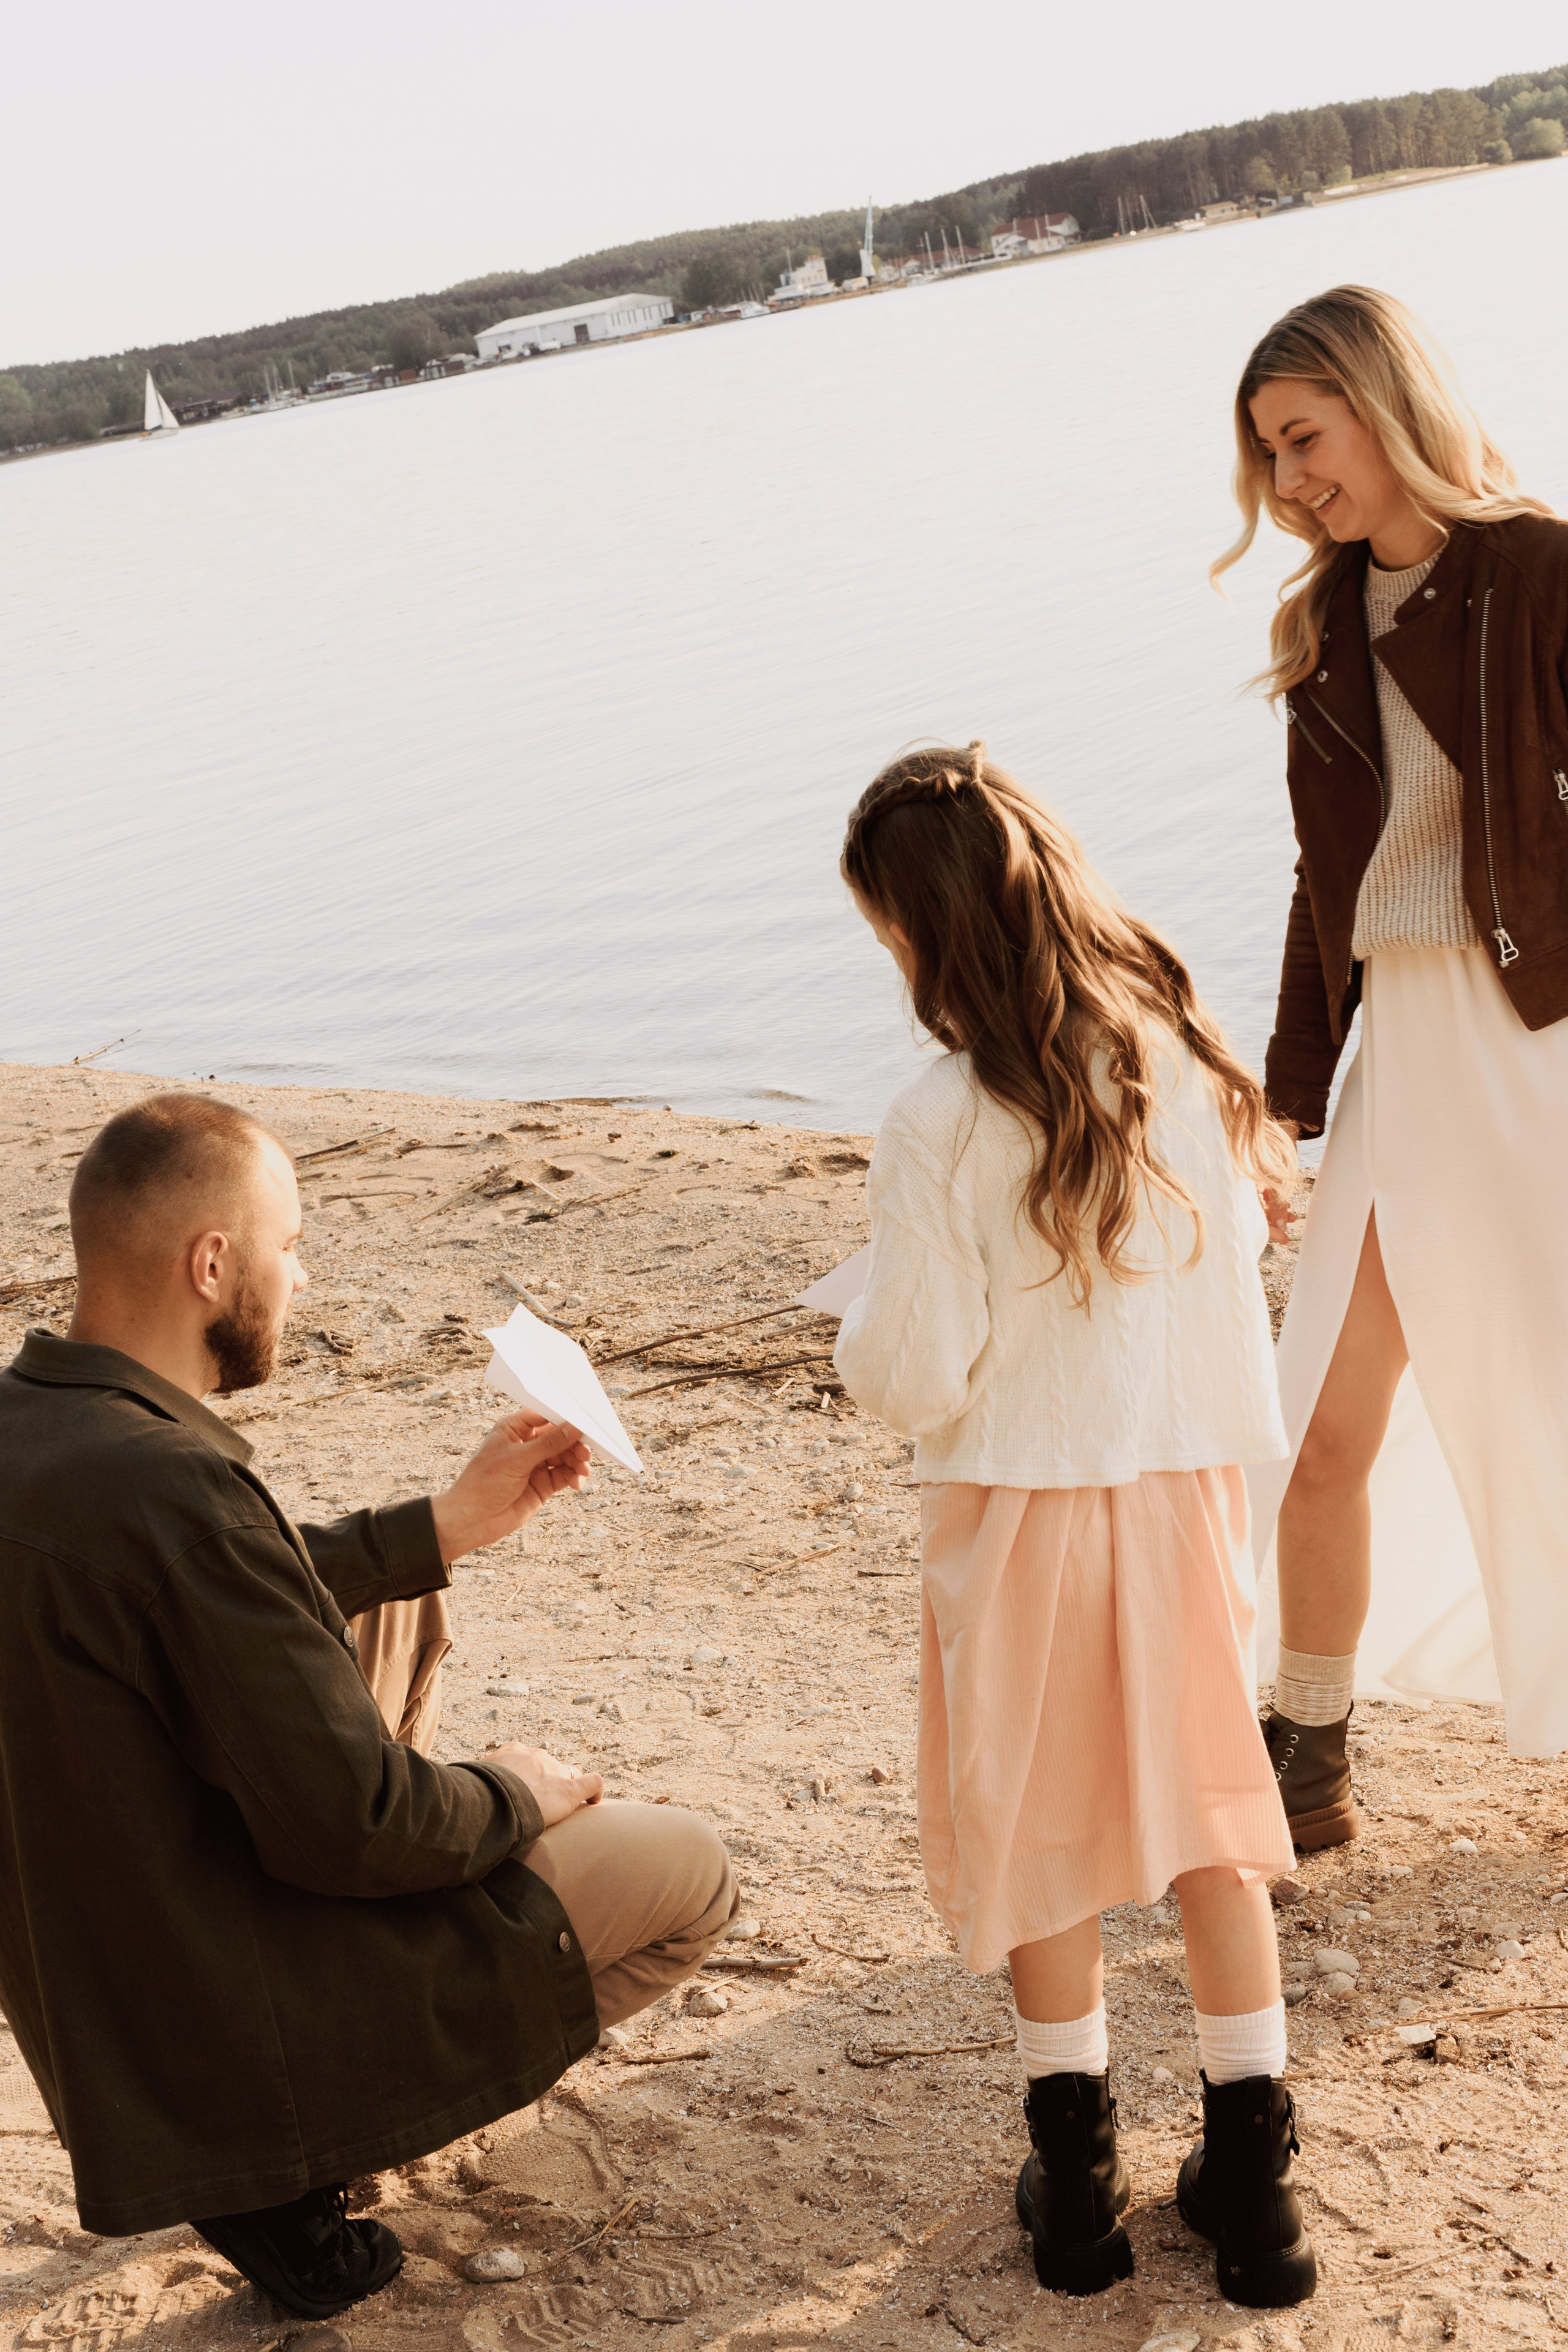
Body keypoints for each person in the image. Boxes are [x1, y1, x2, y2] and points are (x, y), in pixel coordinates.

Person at [0, 1093, 737, 2320]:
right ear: (212, 1262)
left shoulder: (44, 1430)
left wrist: (439, 1529)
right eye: (287, 1248)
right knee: (687, 1872)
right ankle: (304, 2166)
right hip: (232, 2018)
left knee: (395, 1604)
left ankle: (284, 2144)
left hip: (116, 1994)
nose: (298, 1276)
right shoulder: (172, 1484)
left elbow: (201, 1597)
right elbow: (369, 1825)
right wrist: (518, 1791)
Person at [832, 745, 1317, 2312]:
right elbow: (1228, 1281)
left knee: (1042, 1839)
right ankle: (1253, 2196)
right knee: (1205, 1832)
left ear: (922, 935)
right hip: (1181, 1495)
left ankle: (1079, 2187)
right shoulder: (1177, 1052)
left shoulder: (940, 1118)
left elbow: (915, 1366)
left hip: (1021, 1506)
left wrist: (856, 1335)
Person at [1214, 285, 1568, 1848]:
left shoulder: (1539, 574)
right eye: (1266, 458)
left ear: (1381, 400)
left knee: (1542, 1401)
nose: (1288, 482)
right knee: (1320, 1431)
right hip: (1401, 1064)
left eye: (1302, 437)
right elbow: (1323, 881)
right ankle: (1308, 1747)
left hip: (1538, 1044)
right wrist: (1284, 1101)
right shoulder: (1317, 629)